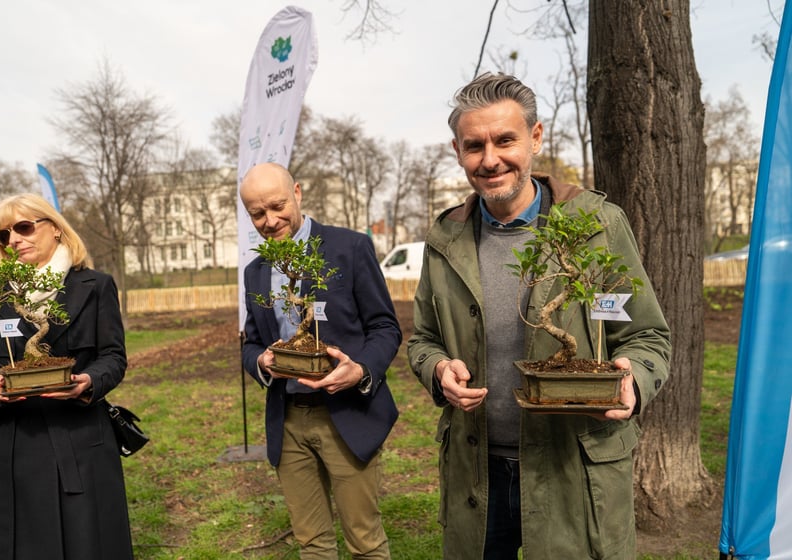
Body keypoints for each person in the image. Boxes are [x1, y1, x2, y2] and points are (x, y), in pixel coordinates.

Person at [407, 72, 672, 559]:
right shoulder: (445, 238)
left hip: (573, 469)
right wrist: (438, 369)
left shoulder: (594, 226)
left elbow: (648, 335)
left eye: (504, 140)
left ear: (535, 137)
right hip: (477, 474)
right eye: (474, 146)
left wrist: (634, 383)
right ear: (457, 149)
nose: (490, 160)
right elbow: (422, 339)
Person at [0, 193, 134, 559]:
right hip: (13, 442)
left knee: (89, 542)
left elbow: (113, 357)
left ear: (55, 229)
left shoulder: (95, 286)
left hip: (81, 438)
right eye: (3, 235)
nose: (14, 240)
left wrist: (88, 383)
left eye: (23, 227)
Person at [240, 162, 401, 560]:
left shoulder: (349, 248)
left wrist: (360, 370)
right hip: (288, 419)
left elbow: (385, 327)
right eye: (257, 213)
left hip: (347, 414)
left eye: (277, 206)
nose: (270, 220)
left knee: (365, 542)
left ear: (297, 192)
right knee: (312, 545)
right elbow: (251, 342)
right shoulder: (255, 272)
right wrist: (261, 360)